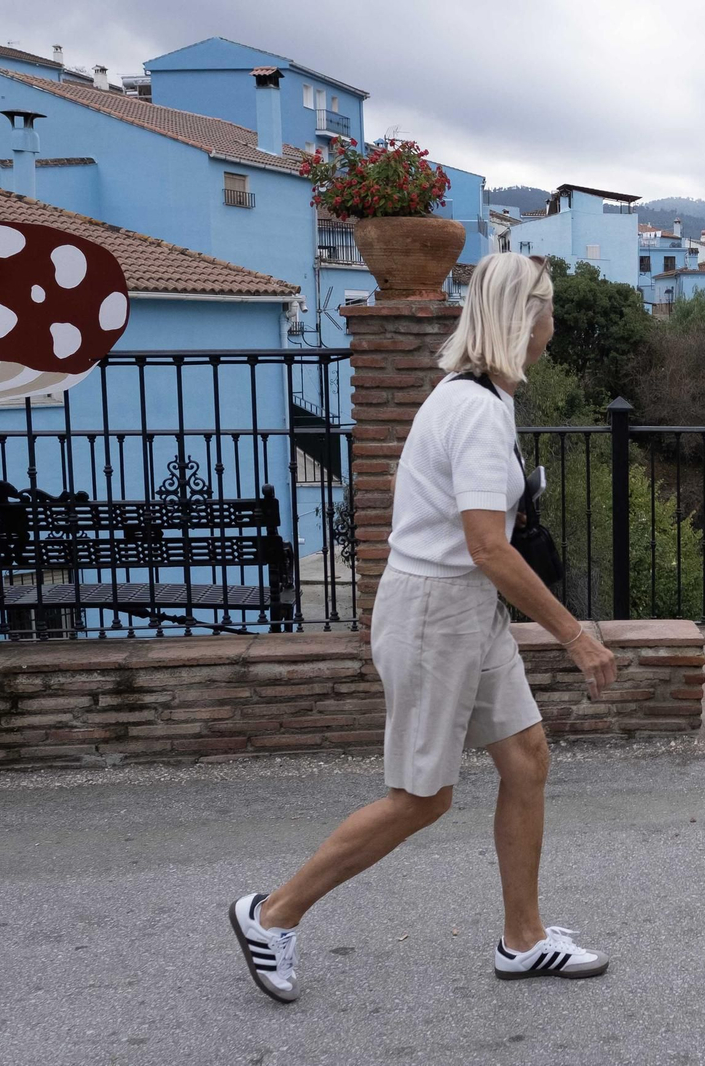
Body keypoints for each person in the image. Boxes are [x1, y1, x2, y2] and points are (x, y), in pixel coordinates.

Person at [228, 253, 618, 1003]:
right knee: (422, 796)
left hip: (467, 609)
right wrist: (573, 633)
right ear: (522, 318)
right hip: (437, 612)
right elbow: (486, 544)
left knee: (527, 758)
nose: (554, 326)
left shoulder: (481, 395)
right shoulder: (473, 408)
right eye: (548, 311)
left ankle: (524, 940)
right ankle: (272, 914)